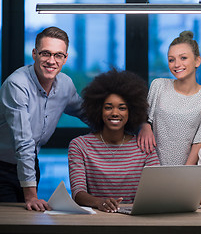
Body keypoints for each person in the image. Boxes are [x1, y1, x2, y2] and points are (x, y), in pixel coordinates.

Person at [0, 26, 83, 211]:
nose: (52, 61)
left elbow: (87, 112)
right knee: (9, 225)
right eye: (45, 54)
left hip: (30, 163)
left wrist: (137, 126)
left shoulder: (66, 84)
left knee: (29, 221)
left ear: (65, 58)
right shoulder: (17, 85)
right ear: (34, 54)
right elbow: (24, 141)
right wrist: (31, 196)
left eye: (58, 55)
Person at [68, 69, 160, 213]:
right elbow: (78, 193)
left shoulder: (144, 145)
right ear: (99, 110)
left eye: (122, 108)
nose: (115, 113)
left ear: (131, 112)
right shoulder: (79, 146)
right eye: (108, 107)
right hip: (95, 219)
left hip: (135, 219)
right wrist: (100, 202)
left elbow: (156, 190)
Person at [137, 31, 201, 165]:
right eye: (171, 59)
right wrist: (144, 126)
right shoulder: (158, 85)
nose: (176, 64)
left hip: (186, 173)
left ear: (197, 61)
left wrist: (182, 177)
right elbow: (144, 119)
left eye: (183, 58)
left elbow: (200, 143)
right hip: (151, 167)